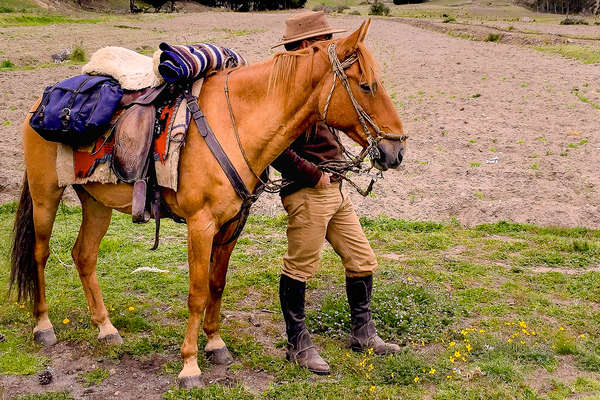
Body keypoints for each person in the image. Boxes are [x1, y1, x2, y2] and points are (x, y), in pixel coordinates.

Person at [271, 11, 400, 376]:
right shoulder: (287, 94)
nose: (331, 45)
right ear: (308, 46)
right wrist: (314, 175)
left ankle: (363, 334)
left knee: (362, 259)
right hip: (309, 193)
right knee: (300, 268)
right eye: (325, 40)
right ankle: (298, 344)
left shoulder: (320, 86)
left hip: (336, 189)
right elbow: (274, 148)